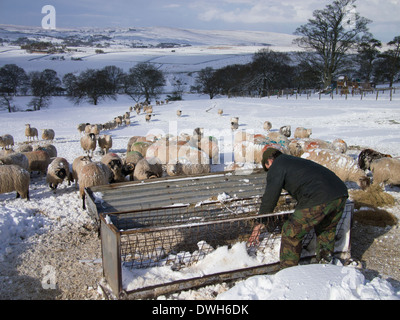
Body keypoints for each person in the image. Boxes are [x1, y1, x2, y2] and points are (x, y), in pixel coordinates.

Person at [248, 148, 349, 269]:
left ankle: (289, 272)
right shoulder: (293, 161)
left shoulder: (277, 165)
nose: (269, 171)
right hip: (340, 193)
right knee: (326, 230)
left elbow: (270, 197)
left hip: (318, 197)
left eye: (267, 168)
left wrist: (259, 224)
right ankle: (325, 266)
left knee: (291, 232)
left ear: (268, 161)